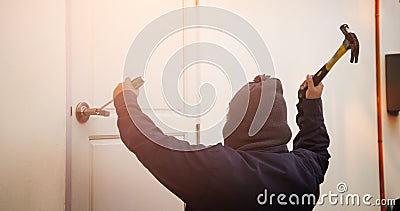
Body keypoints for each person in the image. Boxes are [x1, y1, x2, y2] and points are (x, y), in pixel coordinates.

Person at [113, 74, 330, 210]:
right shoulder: (305, 169)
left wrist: (125, 101)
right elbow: (316, 147)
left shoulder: (221, 169)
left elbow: (153, 144)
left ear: (241, 124)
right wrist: (310, 102)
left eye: (229, 115)